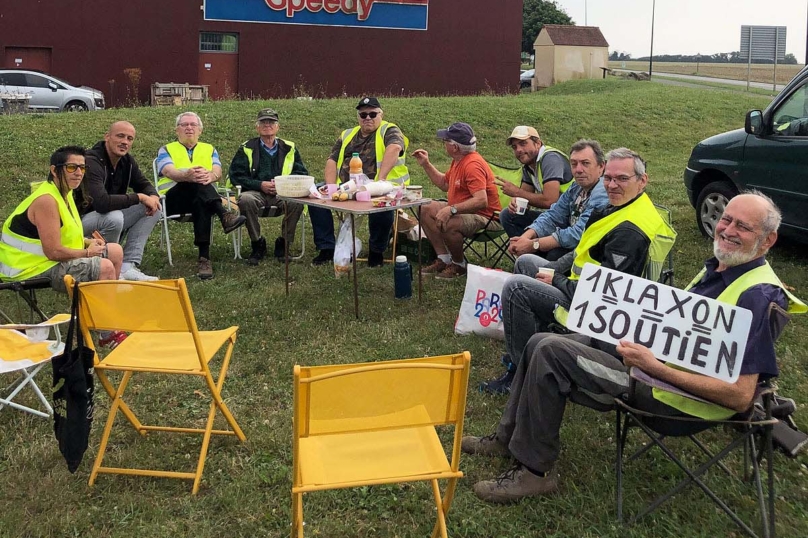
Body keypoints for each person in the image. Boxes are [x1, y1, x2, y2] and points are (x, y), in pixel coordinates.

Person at [463, 192, 805, 504]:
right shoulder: (722, 268)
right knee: (539, 341)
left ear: (768, 239)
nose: (727, 229)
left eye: (742, 226)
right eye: (726, 219)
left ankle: (534, 472)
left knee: (552, 352)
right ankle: (506, 439)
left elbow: (739, 397)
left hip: (672, 398)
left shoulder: (758, 297)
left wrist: (653, 366)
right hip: (651, 363)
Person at [480, 148, 675, 394]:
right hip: (579, 282)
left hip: (595, 308)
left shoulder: (629, 231)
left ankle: (521, 374)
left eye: (622, 179)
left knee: (517, 287)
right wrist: (551, 269)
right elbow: (581, 249)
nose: (612, 185)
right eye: (609, 179)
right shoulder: (617, 206)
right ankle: (533, 348)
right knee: (527, 263)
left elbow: (605, 294)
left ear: (642, 180)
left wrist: (556, 279)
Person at [0, 146, 123, 293]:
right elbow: (54, 252)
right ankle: (100, 313)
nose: (79, 173)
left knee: (116, 251)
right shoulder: (46, 201)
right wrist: (87, 253)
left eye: (82, 168)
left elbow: (62, 234)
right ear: (54, 170)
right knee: (105, 267)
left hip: (45, 260)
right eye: (71, 168)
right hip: (27, 268)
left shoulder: (65, 192)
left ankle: (105, 307)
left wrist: (86, 242)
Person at [308, 97, 409, 267]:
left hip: (384, 185)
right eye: (363, 114)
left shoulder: (390, 130)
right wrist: (331, 186)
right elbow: (331, 160)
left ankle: (376, 251)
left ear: (381, 114)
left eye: (372, 114)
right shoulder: (347, 134)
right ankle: (326, 247)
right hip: (348, 185)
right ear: (358, 117)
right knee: (315, 194)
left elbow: (395, 148)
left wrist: (380, 181)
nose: (368, 118)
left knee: (382, 203)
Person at [156, 111, 246, 280]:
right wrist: (187, 176)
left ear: (200, 130)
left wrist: (211, 176)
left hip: (202, 200)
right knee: (196, 182)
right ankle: (224, 215)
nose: (189, 128)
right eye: (184, 125)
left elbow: (217, 171)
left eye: (193, 125)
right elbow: (168, 171)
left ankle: (204, 258)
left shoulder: (209, 149)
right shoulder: (166, 149)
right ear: (177, 130)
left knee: (201, 200)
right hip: (173, 200)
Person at [411, 122, 502, 280]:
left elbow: (482, 201)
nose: (443, 144)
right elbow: (444, 184)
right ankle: (444, 259)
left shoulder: (472, 165)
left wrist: (451, 210)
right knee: (425, 208)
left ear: (454, 147)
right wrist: (426, 164)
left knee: (450, 222)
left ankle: (459, 265)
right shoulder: (459, 160)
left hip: (486, 217)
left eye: (445, 141)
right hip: (466, 211)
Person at [81, 121, 161, 281]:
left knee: (155, 208)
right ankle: (106, 267)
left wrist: (153, 196)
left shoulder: (127, 162)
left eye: (130, 138)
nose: (125, 141)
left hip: (105, 219)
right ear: (107, 137)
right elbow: (101, 203)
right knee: (114, 217)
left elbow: (144, 184)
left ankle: (127, 266)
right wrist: (138, 197)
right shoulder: (91, 161)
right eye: (120, 136)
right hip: (80, 222)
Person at [506, 139, 609, 262]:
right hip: (567, 231)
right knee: (509, 216)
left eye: (585, 163)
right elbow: (554, 215)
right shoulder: (576, 187)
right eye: (574, 164)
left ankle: (537, 266)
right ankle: (531, 260)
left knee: (556, 254)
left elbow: (578, 234)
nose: (578, 170)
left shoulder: (603, 192)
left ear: (601, 166)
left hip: (592, 249)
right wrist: (525, 238)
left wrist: (534, 245)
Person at [229, 108, 308, 265]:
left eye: (271, 122)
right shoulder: (246, 148)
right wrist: (260, 185)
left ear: (278, 127)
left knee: (296, 202)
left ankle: (284, 243)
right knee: (245, 200)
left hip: (283, 192)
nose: (267, 125)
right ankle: (257, 244)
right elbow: (236, 175)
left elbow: (301, 172)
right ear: (257, 127)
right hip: (255, 192)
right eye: (263, 122)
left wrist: (282, 184)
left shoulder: (290, 148)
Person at [496, 126, 573, 238]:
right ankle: (524, 252)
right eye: (514, 147)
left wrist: (516, 192)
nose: (518, 150)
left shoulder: (550, 158)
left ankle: (532, 251)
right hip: (556, 216)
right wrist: (516, 204)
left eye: (523, 144)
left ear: (537, 143)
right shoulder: (529, 166)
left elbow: (550, 201)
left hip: (571, 217)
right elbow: (524, 201)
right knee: (508, 215)